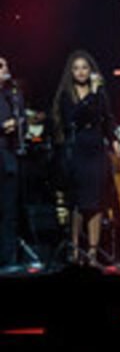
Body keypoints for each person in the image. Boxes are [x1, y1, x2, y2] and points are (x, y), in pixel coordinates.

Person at [52, 50, 117, 267]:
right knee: (78, 203)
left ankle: (92, 252)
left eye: (85, 68)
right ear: (71, 72)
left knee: (96, 202)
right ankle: (75, 250)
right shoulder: (66, 95)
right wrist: (92, 95)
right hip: (77, 150)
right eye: (76, 68)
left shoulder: (100, 94)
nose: (81, 72)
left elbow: (107, 118)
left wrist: (114, 139)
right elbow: (73, 117)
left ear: (91, 70)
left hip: (96, 149)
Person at [0, 55, 24, 272]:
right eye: (0, 66)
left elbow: (22, 118)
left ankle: (9, 259)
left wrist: (18, 123)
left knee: (9, 210)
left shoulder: (13, 94)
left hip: (9, 158)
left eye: (6, 65)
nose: (5, 68)